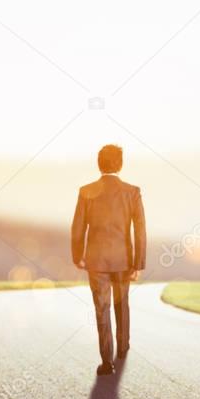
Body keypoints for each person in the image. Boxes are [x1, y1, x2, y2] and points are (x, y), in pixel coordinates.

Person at [71, 144, 146, 375]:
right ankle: (123, 348)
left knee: (101, 308)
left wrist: (78, 256)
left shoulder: (86, 190)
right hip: (123, 259)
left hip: (97, 260)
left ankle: (107, 362)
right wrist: (138, 263)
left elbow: (78, 227)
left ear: (99, 164)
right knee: (122, 303)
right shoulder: (132, 191)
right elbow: (140, 229)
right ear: (120, 164)